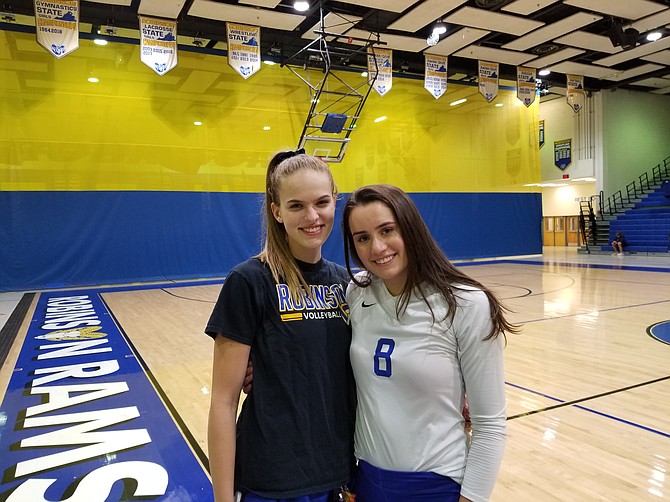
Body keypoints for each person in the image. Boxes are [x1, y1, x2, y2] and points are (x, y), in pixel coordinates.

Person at [341, 184, 516, 502]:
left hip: (437, 485)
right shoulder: (356, 295)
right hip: (366, 481)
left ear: (410, 228)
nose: (377, 247)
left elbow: (489, 424)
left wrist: (472, 497)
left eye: (387, 230)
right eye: (362, 238)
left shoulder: (467, 304)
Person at [205, 149, 355, 502]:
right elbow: (223, 402)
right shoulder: (249, 281)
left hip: (336, 474)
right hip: (270, 481)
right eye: (296, 206)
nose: (312, 216)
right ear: (277, 211)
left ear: (336, 201)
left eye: (321, 202)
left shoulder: (346, 283)